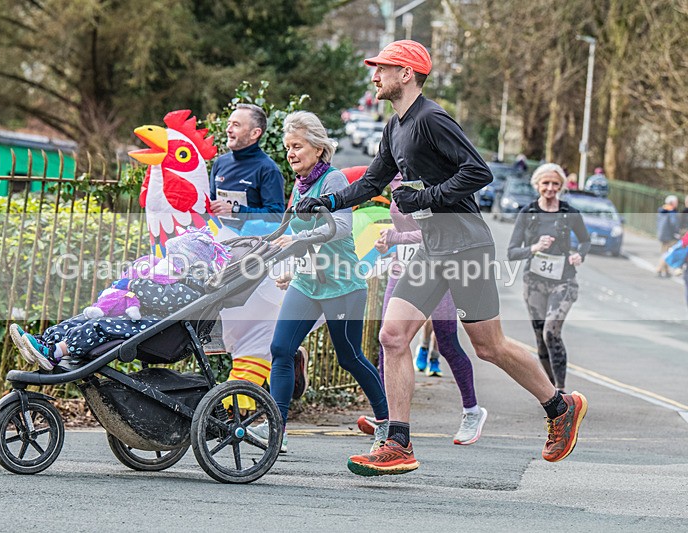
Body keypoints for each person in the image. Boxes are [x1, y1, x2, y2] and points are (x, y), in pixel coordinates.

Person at [296, 39, 588, 476]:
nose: (374, 76)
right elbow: (374, 181)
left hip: (465, 244)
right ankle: (398, 442)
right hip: (431, 248)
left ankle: (559, 406)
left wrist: (426, 197)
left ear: (407, 73)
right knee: (393, 337)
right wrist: (328, 201)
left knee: (489, 347)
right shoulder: (394, 128)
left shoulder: (431, 118)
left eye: (382, 68)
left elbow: (478, 172)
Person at [249, 110, 390, 453]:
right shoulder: (298, 187)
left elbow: (340, 227)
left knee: (350, 357)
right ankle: (277, 430)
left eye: (297, 146)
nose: (291, 153)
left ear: (317, 147)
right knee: (281, 349)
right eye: (287, 148)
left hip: (342, 285)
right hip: (307, 283)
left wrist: (298, 243)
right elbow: (288, 232)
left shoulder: (333, 181)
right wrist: (277, 258)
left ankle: (388, 423)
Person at [359, 173, 488, 446]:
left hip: (436, 268)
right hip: (401, 269)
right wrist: (388, 244)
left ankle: (471, 411)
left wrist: (398, 236)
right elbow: (401, 231)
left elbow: (437, 230)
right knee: (389, 339)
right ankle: (386, 418)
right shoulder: (393, 169)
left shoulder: (430, 178)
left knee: (446, 342)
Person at [10, 227, 230, 370]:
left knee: (97, 325)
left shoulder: (190, 287)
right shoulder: (171, 276)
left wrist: (136, 281)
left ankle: (56, 352)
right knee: (81, 319)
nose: (171, 260)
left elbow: (161, 298)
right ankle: (43, 342)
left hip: (155, 329)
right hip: (140, 319)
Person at [207, 104, 310, 405]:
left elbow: (275, 217)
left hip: (256, 261)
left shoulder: (267, 170)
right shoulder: (220, 164)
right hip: (227, 256)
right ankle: (254, 391)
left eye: (237, 125)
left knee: (258, 333)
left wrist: (237, 211)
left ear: (255, 133)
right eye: (229, 123)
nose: (229, 129)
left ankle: (254, 397)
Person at [508, 164, 591, 393]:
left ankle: (562, 390)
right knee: (540, 338)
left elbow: (585, 240)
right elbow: (512, 252)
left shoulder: (570, 213)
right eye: (546, 183)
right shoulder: (527, 213)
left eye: (555, 184)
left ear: (562, 186)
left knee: (551, 332)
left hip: (563, 281)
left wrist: (579, 255)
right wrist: (534, 247)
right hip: (534, 282)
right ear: (537, 185)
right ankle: (551, 389)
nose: (550, 188)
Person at [656, 195, 681, 278]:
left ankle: (665, 270)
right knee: (667, 253)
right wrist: (677, 233)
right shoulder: (671, 211)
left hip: (662, 234)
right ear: (672, 203)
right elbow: (674, 224)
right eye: (676, 202)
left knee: (664, 252)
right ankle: (659, 269)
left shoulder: (662, 210)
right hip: (669, 235)